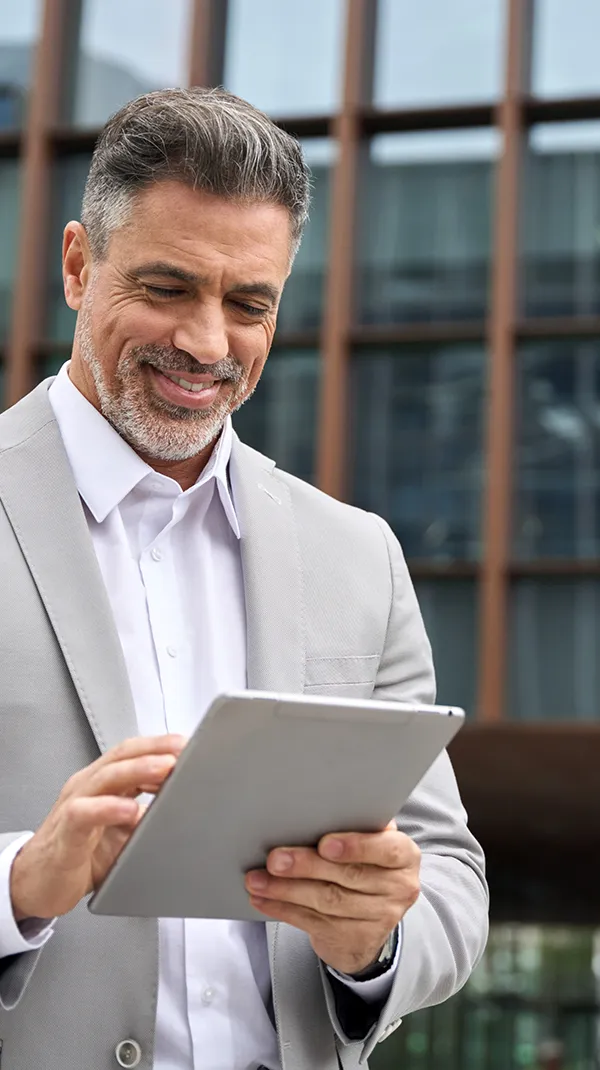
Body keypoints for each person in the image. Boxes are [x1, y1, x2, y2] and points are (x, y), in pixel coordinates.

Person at [0, 87, 488, 1070]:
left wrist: (375, 944)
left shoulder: (360, 555)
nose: (208, 343)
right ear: (77, 264)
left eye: (248, 303)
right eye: (169, 287)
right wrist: (19, 880)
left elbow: (450, 878)